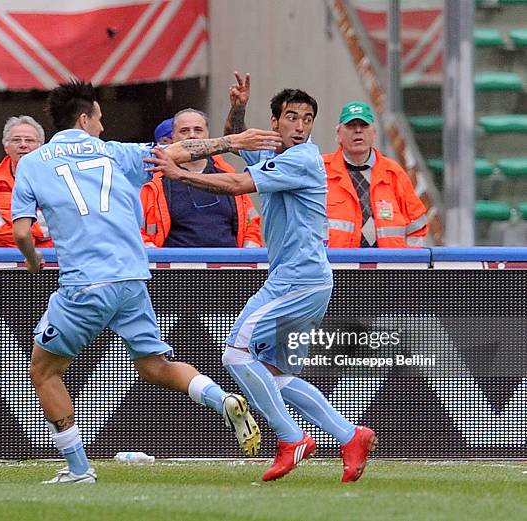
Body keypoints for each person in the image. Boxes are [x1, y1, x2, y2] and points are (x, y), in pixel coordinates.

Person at [11, 79, 281, 484]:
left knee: (44, 372)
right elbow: (180, 151)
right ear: (84, 119)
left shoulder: (34, 162)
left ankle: (79, 469)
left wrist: (33, 261)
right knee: (155, 365)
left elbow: (20, 233)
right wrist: (232, 141)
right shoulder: (117, 153)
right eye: (100, 119)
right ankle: (221, 399)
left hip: (85, 284)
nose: (102, 126)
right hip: (133, 279)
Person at [147, 73, 377, 483]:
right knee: (277, 375)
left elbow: (236, 183)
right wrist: (237, 108)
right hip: (303, 279)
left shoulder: (302, 158)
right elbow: (237, 142)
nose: (300, 126)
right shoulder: (279, 154)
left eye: (307, 119)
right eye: (292, 118)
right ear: (276, 122)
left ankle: (290, 437)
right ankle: (350, 435)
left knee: (235, 354)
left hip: (297, 281)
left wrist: (180, 175)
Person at [141, 109, 262, 248]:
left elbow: (251, 224)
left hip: (228, 266)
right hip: (176, 267)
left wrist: (247, 257)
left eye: (198, 130)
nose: (192, 135)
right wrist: (156, 259)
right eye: (184, 131)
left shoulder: (227, 174)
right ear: (173, 137)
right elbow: (137, 229)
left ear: (208, 135)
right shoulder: (156, 182)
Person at [325, 101, 428, 247]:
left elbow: (417, 224)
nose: (358, 131)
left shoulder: (394, 173)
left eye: (364, 125)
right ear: (338, 134)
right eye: (351, 126)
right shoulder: (321, 171)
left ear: (374, 133)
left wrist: (409, 264)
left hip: (388, 267)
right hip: (337, 267)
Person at [0, 115, 53, 247]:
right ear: (6, 147)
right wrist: (23, 238)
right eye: (16, 140)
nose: (23, 145)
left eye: (29, 140)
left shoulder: (54, 178)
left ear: (41, 147)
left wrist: (4, 217)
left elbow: (57, 222)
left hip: (45, 262)